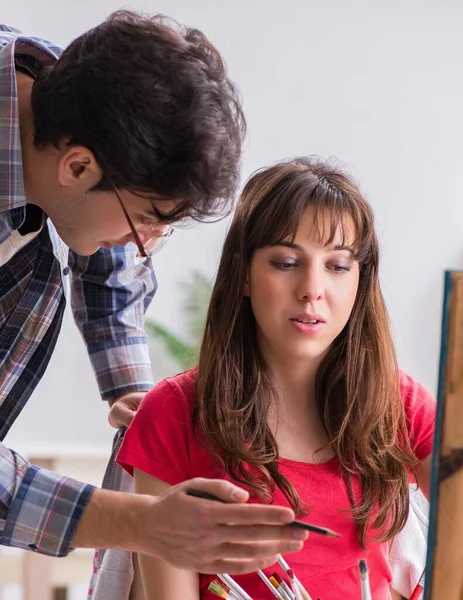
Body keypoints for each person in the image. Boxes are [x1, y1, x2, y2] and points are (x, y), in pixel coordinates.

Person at [0, 12, 307, 576]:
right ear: (76, 166)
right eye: (146, 220)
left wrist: (134, 394)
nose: (144, 247)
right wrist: (142, 523)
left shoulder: (69, 92)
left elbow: (107, 254)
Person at [116, 157, 437, 599]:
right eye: (286, 262)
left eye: (339, 266)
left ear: (361, 282)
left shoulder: (403, 406)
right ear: (243, 273)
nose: (312, 288)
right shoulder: (173, 413)